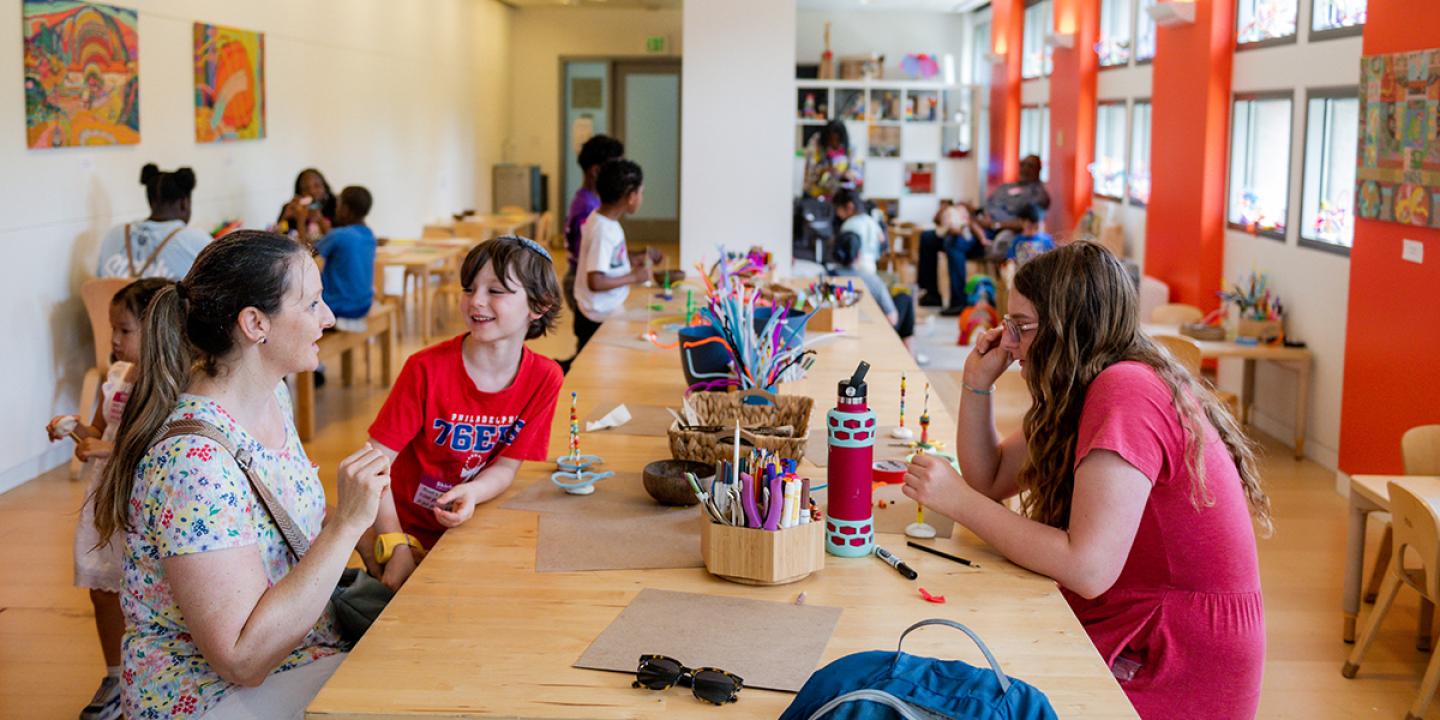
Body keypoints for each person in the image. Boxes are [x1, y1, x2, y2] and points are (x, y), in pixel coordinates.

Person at [901, 242, 1269, 719]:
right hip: (1149, 625)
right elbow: (990, 477)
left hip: (1174, 655)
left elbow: (1088, 568)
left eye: (1022, 327)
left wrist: (957, 501)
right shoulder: (1088, 383)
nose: (1008, 342)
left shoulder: (1126, 389)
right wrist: (977, 383)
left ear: (1068, 327)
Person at [93, 232, 392, 719]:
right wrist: (347, 527)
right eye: (313, 303)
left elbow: (282, 523)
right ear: (255, 324)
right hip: (212, 695)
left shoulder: (271, 396)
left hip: (302, 655)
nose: (329, 317)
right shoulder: (193, 464)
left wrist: (380, 543)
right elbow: (241, 659)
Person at [361, 236, 564, 590]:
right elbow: (373, 466)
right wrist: (394, 545)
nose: (476, 301)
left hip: (472, 526)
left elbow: (505, 466)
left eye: (496, 290)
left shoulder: (544, 378)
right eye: (469, 288)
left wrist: (474, 492)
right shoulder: (424, 369)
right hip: (402, 529)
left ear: (539, 304)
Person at [45, 278, 170, 720]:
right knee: (102, 588)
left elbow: (161, 446)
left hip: (139, 500)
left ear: (157, 329)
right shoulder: (117, 376)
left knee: (141, 588)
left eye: (124, 330)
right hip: (105, 498)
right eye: (111, 329)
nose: (113, 340)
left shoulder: (168, 385)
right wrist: (76, 428)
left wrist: (109, 450)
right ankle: (115, 675)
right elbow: (98, 435)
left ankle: (147, 675)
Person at [572, 159, 662, 355]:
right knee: (597, 368)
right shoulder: (603, 230)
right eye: (641, 192)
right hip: (596, 317)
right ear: (630, 196)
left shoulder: (602, 218)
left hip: (601, 311)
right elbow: (595, 280)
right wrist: (634, 277)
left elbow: (608, 259)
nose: (641, 198)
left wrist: (635, 257)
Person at [830, 189, 917, 356]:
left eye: (838, 210)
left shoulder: (849, 226)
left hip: (854, 272)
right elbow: (883, 243)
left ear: (848, 207)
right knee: (903, 298)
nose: (838, 215)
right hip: (869, 272)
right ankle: (909, 353)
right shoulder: (871, 221)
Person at [562, 135, 626, 343]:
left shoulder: (592, 201)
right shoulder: (588, 209)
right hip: (579, 282)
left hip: (582, 278)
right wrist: (632, 274)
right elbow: (592, 261)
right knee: (590, 345)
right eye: (615, 167)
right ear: (596, 171)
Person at [96, 164, 210, 280]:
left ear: (150, 202)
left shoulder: (114, 234)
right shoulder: (196, 240)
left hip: (110, 298)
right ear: (184, 203)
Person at [314, 186, 377, 329]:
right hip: (363, 305)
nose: (336, 209)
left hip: (339, 307)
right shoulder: (369, 235)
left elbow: (307, 254)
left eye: (339, 205)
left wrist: (301, 220)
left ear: (346, 210)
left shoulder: (339, 235)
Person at [916, 200, 988, 314]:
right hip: (952, 229)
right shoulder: (951, 210)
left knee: (953, 242)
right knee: (926, 237)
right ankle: (932, 294)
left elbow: (983, 223)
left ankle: (958, 301)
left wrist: (974, 221)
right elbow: (937, 221)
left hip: (973, 232)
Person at [974, 154, 1051, 257]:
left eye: (1030, 166)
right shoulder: (1006, 187)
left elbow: (1028, 220)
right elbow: (988, 205)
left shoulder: (1038, 194)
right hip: (984, 224)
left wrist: (995, 224)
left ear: (1038, 169)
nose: (1025, 169)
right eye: (1022, 164)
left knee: (1001, 242)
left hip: (1006, 231)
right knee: (956, 240)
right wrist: (984, 216)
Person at [802, 120, 862, 200]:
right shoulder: (815, 143)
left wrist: (845, 174)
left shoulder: (849, 145)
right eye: (831, 140)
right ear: (826, 138)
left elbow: (857, 173)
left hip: (840, 195)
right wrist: (824, 170)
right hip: (816, 195)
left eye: (838, 140)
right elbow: (809, 175)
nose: (835, 144)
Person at [277, 168, 337, 242]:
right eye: (305, 188)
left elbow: (336, 241)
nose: (312, 191)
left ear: (325, 187)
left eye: (317, 186)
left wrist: (320, 220)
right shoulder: (291, 208)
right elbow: (278, 241)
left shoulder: (336, 206)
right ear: (299, 193)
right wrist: (285, 218)